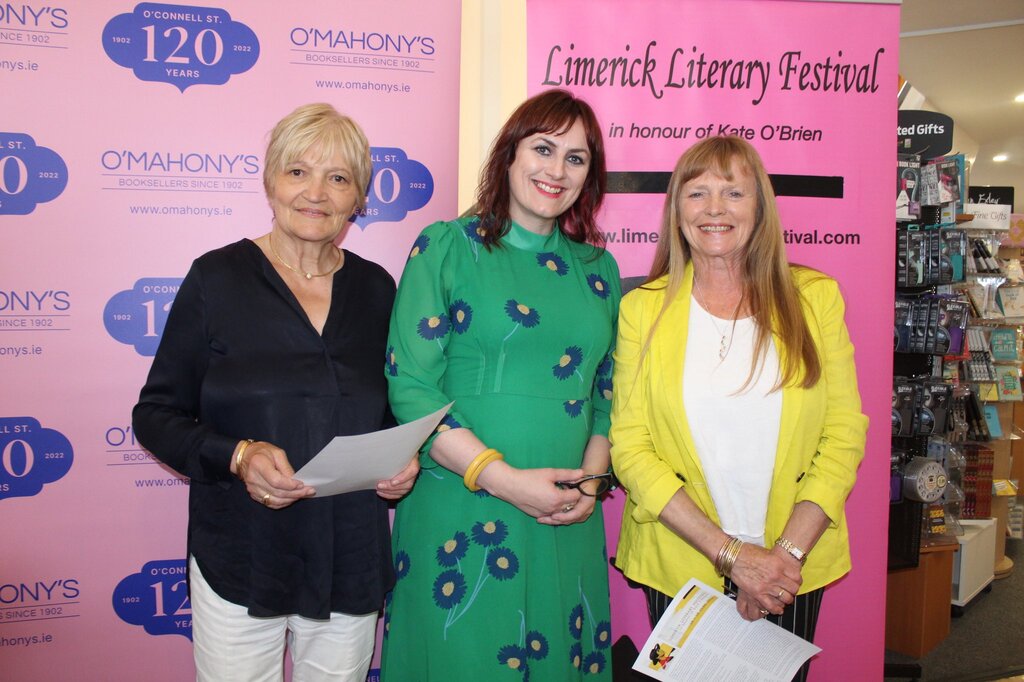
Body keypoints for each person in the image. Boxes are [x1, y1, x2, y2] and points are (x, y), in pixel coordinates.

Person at [132, 103, 419, 682]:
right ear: (270, 180)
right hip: (242, 553)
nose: (316, 193)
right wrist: (237, 455)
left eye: (338, 178)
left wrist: (401, 459)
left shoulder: (377, 288)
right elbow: (155, 414)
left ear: (358, 197)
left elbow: (389, 407)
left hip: (349, 555)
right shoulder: (216, 279)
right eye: (298, 172)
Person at [380, 89, 620, 681]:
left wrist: (589, 486)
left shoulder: (600, 271)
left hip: (564, 519)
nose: (556, 170)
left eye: (576, 157)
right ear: (510, 155)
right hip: (462, 506)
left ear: (589, 177)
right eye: (543, 148)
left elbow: (608, 396)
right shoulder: (446, 247)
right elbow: (410, 387)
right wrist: (507, 482)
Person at [609, 136, 867, 681]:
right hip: (682, 561)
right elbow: (631, 449)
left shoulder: (815, 298)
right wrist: (732, 557)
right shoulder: (642, 310)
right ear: (677, 209)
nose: (715, 209)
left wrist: (781, 560)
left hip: (791, 565)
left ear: (760, 207)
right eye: (697, 193)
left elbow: (843, 434)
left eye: (733, 192)